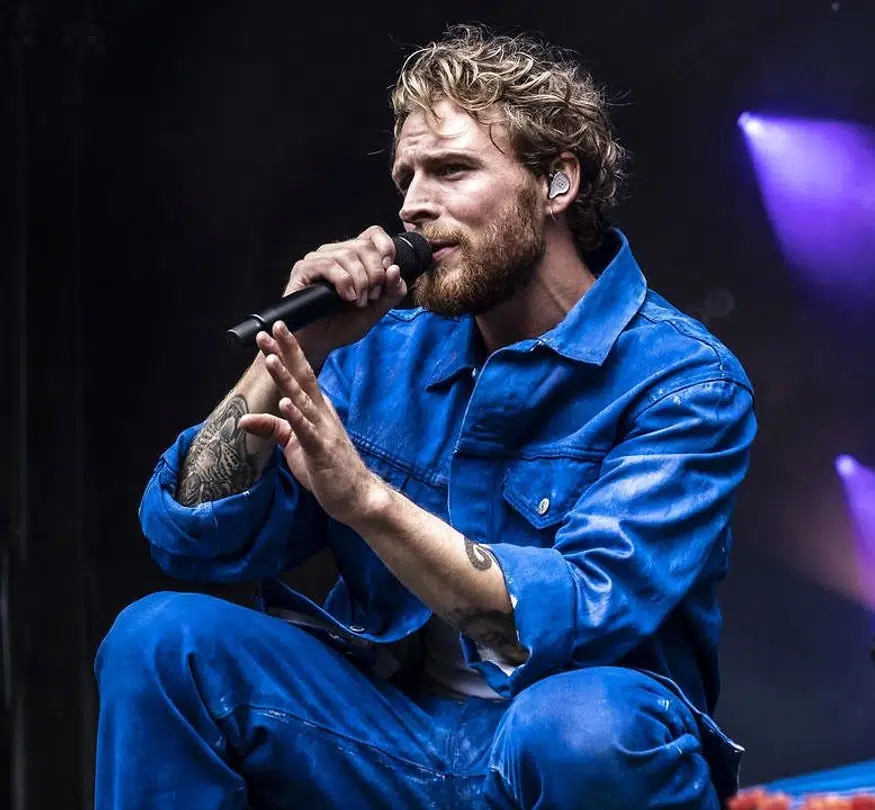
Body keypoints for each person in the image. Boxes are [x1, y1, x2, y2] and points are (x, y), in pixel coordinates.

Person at [95, 24, 756, 810]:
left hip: (558, 746)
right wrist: (290, 348)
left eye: (451, 171)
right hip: (386, 738)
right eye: (406, 176)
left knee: (578, 724)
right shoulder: (380, 352)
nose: (413, 205)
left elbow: (576, 618)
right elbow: (192, 535)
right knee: (161, 638)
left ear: (556, 184)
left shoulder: (682, 381)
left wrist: (367, 503)